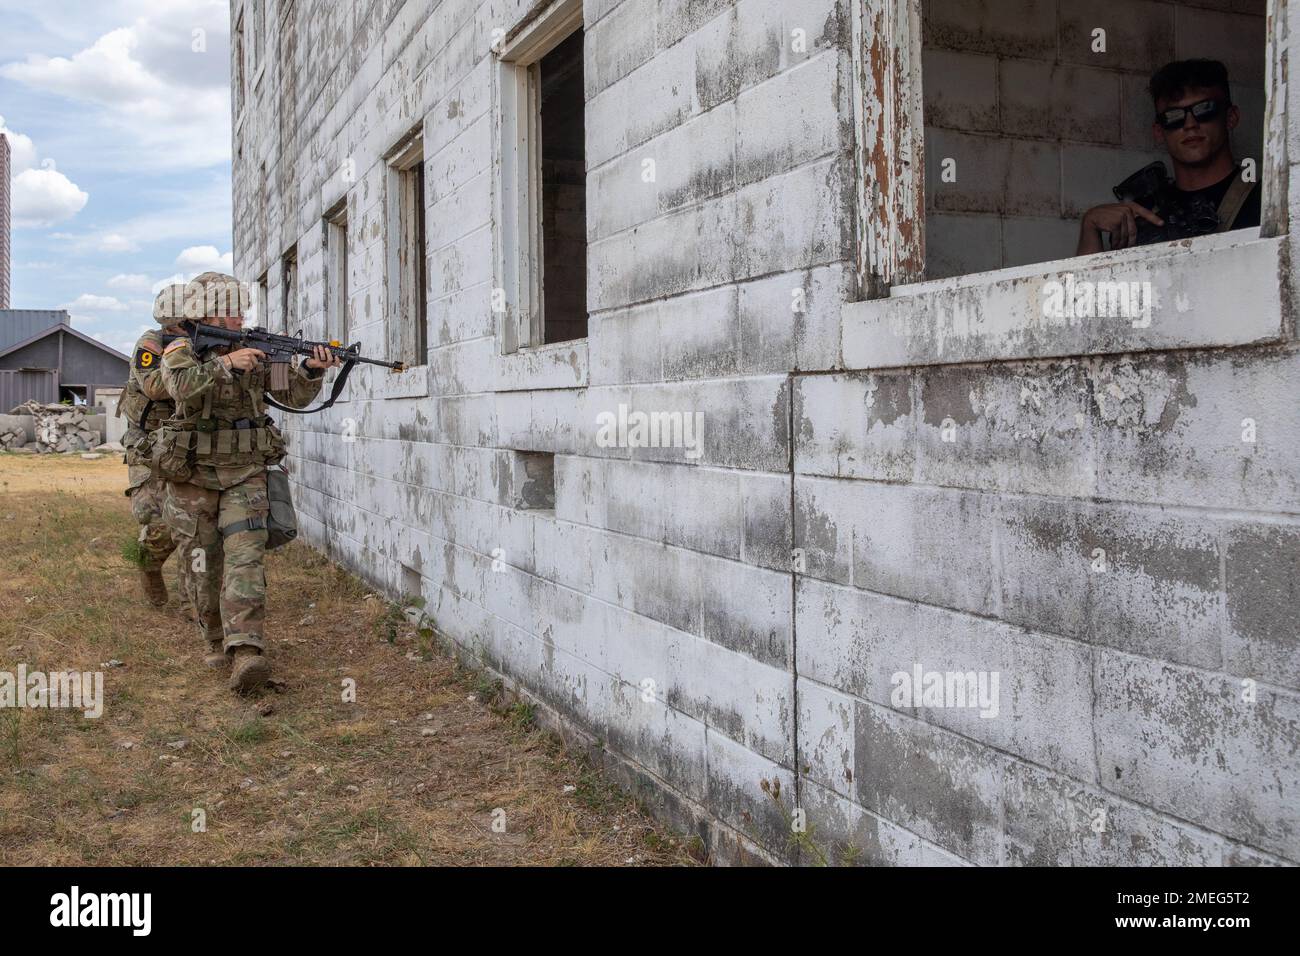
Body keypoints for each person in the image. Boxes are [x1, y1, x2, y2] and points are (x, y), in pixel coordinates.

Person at [157, 272, 341, 693]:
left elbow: (292, 397)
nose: (241, 317)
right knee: (204, 562)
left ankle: (246, 651)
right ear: (208, 314)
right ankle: (215, 640)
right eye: (232, 311)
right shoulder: (181, 349)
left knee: (245, 557)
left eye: (242, 309)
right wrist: (224, 364)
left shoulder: (256, 348)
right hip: (193, 473)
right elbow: (179, 388)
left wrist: (311, 368)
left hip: (247, 470)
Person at [1077, 59, 1259, 255]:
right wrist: (1090, 226)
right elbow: (1089, 286)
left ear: (1231, 117)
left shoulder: (1265, 201)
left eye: (1205, 109)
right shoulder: (1141, 215)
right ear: (1158, 131)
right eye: (1173, 117)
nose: (1190, 124)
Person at [120, 284, 192, 612]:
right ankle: (149, 565)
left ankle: (196, 601)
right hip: (148, 443)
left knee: (191, 522)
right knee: (155, 517)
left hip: (184, 442)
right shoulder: (150, 345)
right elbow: (155, 387)